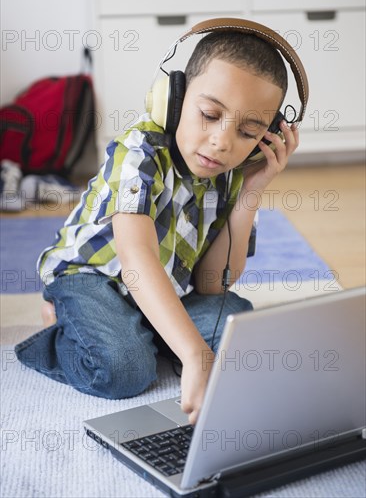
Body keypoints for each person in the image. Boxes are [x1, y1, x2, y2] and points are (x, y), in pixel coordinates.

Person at [15, 26, 300, 425]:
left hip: (169, 287)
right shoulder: (139, 152)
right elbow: (137, 259)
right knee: (124, 369)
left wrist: (251, 192)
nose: (222, 141)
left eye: (248, 132)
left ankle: (153, 329)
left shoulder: (234, 173)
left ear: (267, 137)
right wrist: (195, 355)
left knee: (238, 335)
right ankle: (59, 329)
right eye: (210, 115)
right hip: (95, 278)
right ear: (174, 99)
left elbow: (213, 285)